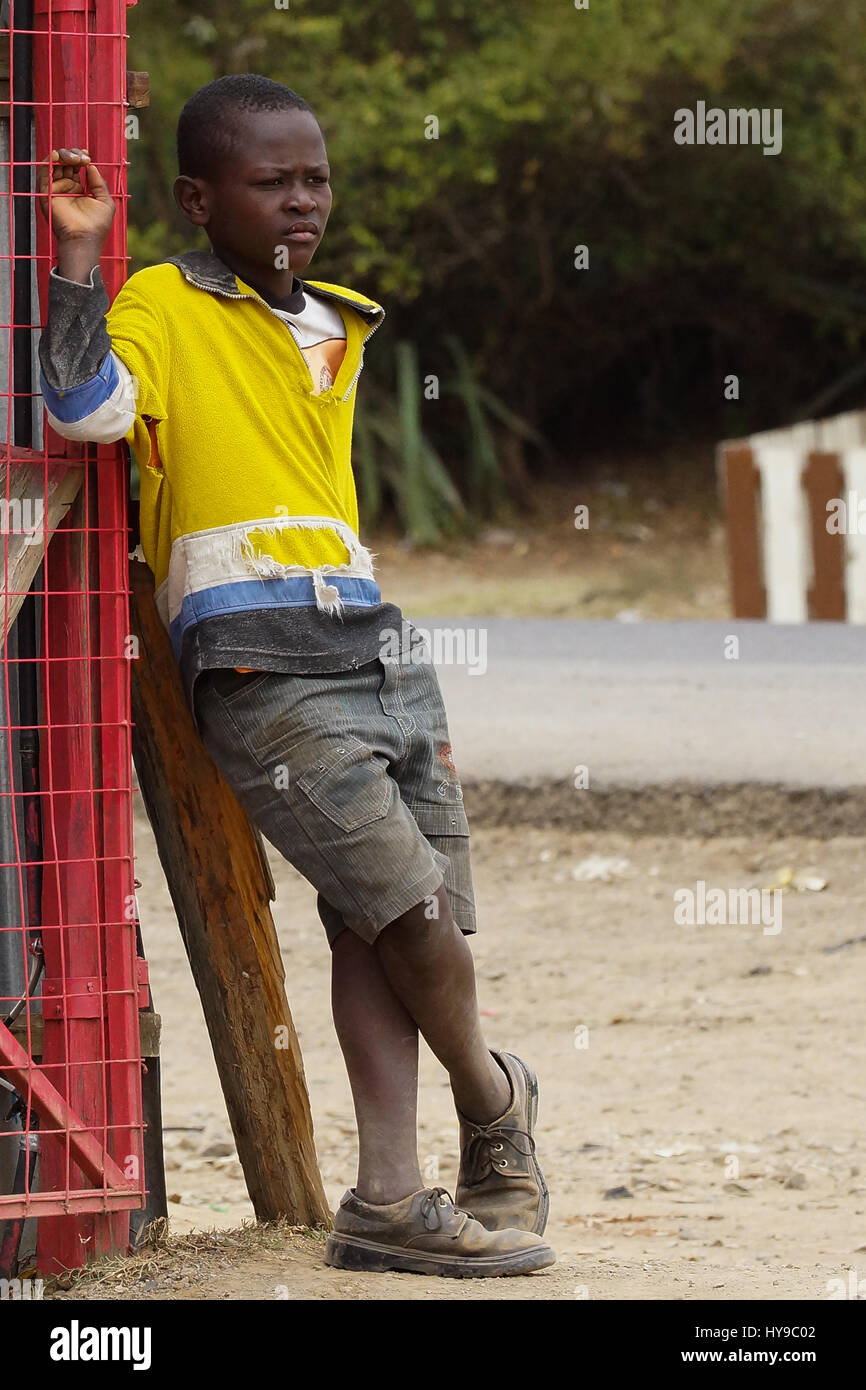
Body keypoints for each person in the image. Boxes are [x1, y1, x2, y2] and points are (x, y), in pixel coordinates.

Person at [36, 74, 553, 1279]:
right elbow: (88, 409)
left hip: (374, 642)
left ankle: (383, 1199)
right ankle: (492, 1096)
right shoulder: (159, 301)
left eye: (313, 179)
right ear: (197, 200)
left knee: (383, 923)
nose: (301, 202)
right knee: (409, 907)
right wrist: (79, 257)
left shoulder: (335, 324)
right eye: (271, 184)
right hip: (257, 662)